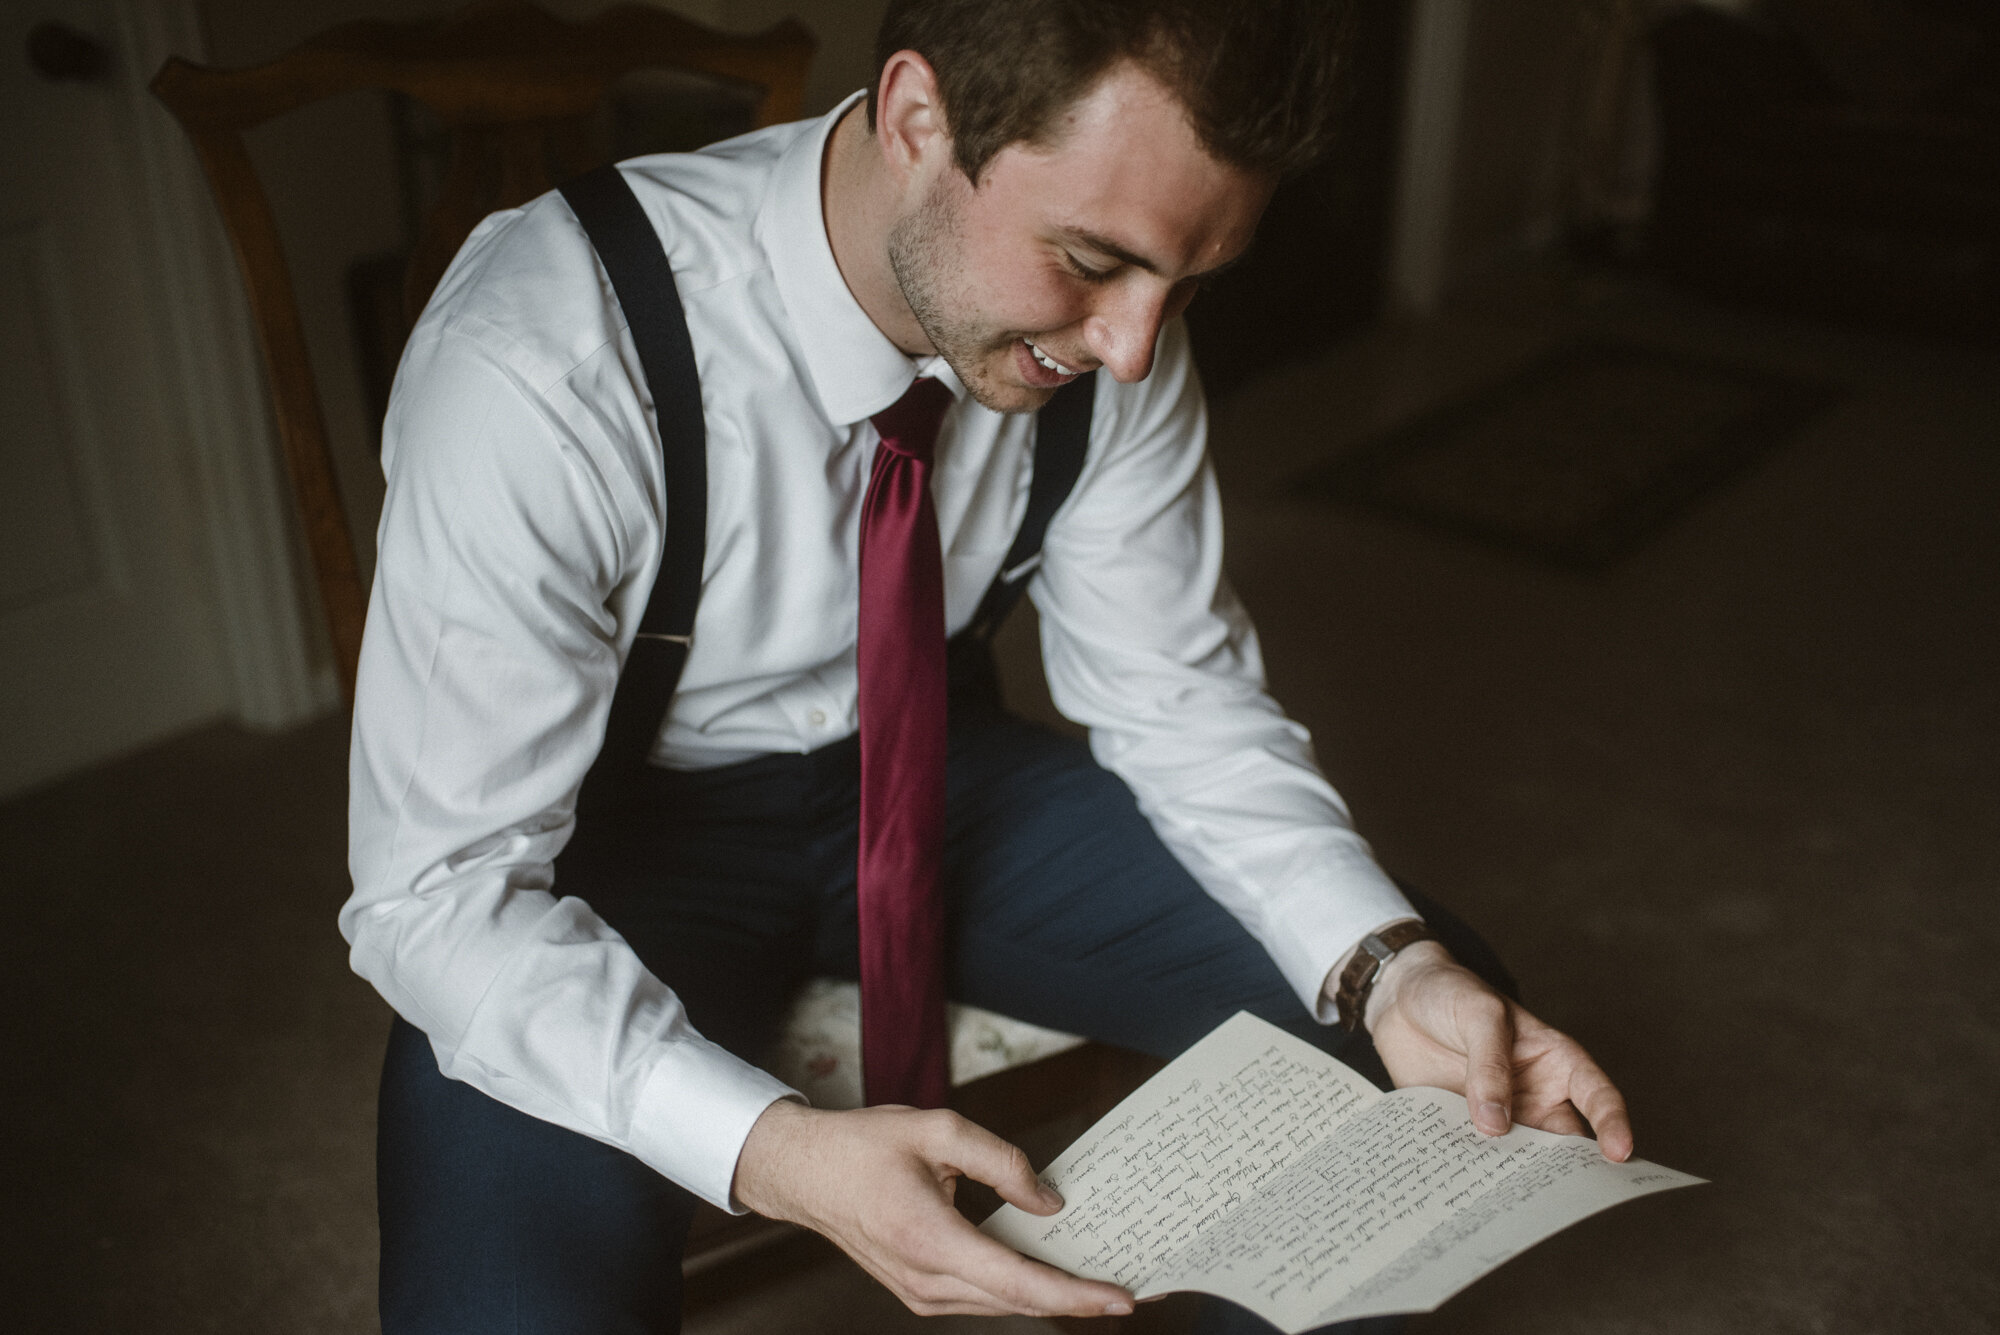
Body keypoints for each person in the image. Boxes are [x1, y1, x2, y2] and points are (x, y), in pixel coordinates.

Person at [344, 1, 1634, 1331]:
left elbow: (1176, 694)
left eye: (1185, 286)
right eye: (1092, 259)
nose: (1133, 347)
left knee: (1436, 1039)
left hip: (947, 782)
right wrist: (777, 1148)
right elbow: (436, 895)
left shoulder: (1117, 335)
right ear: (919, 119)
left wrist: (1387, 965)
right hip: (618, 844)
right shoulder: (547, 354)